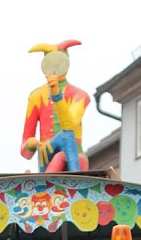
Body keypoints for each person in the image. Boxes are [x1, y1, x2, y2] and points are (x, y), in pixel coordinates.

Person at [21, 40, 90, 173]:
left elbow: (70, 125)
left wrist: (57, 95)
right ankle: (46, 184)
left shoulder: (79, 96)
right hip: (46, 156)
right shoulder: (36, 96)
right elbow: (25, 151)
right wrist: (31, 144)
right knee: (58, 155)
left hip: (75, 157)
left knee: (63, 152)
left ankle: (46, 184)